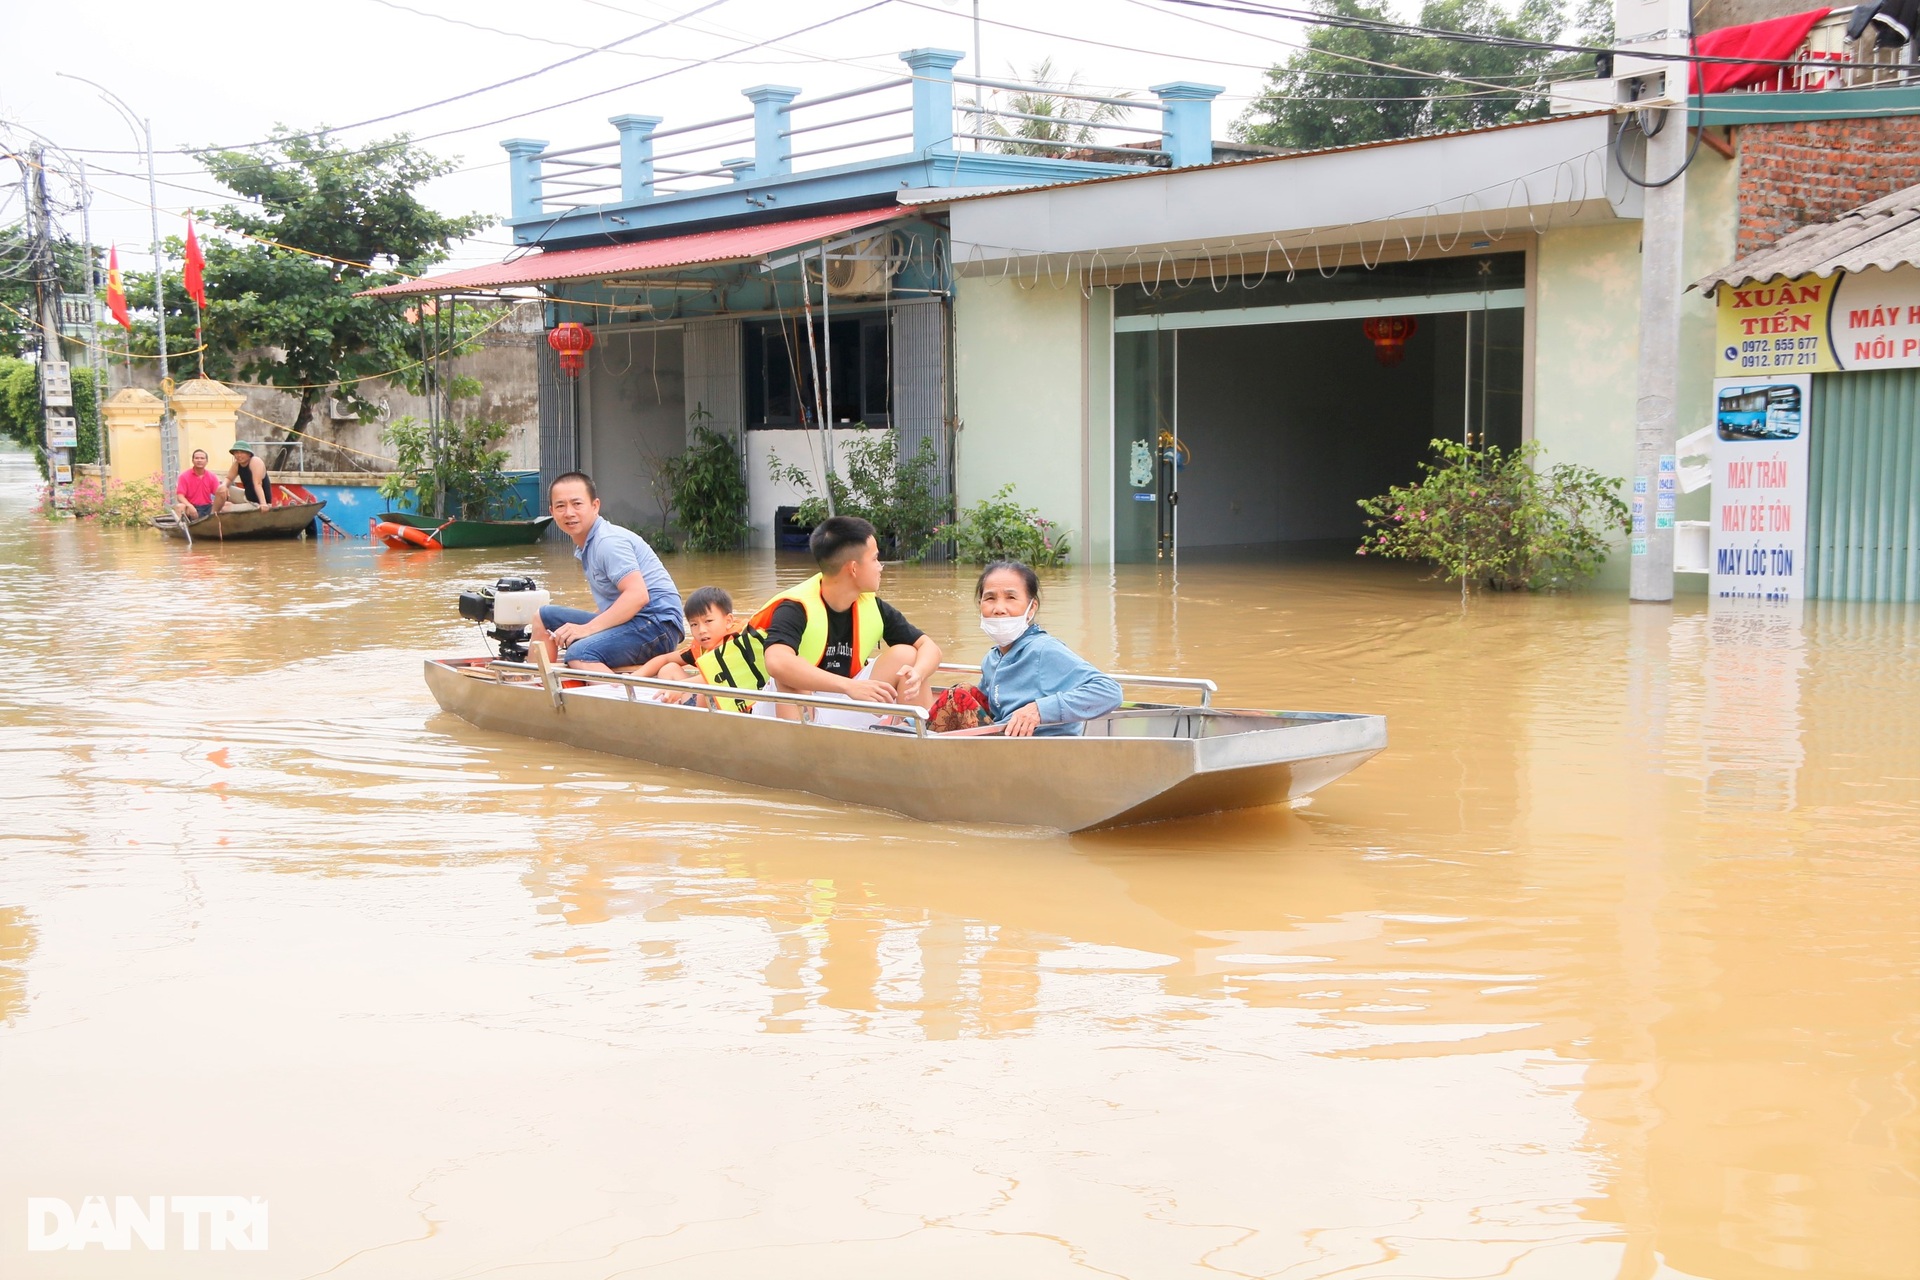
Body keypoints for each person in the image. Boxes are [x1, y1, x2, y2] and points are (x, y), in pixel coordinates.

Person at [750, 515, 941, 724]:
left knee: (907, 655)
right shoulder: (794, 607)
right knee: (791, 677)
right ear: (853, 568)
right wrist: (849, 686)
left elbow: (929, 647)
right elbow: (776, 662)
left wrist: (918, 673)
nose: (880, 567)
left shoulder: (872, 606)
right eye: (875, 559)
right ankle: (800, 753)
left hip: (841, 702)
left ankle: (910, 740)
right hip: (794, 707)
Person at [532, 471, 684, 674]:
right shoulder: (588, 545)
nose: (569, 512)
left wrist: (586, 630)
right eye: (561, 506)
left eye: (577, 504)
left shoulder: (607, 542)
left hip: (656, 627)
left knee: (579, 653)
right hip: (635, 623)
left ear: (595, 506)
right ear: (552, 511)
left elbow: (638, 595)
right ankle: (536, 686)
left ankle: (621, 700)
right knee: (544, 616)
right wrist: (586, 628)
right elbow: (613, 604)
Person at [973, 559, 1122, 737]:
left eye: (1011, 597)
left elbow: (1109, 692)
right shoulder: (992, 659)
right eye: (990, 598)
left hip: (1047, 755)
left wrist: (1039, 710)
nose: (999, 608)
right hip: (1005, 750)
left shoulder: (1042, 650)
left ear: (1031, 607)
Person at [629, 586, 766, 710]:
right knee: (669, 668)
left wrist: (681, 687)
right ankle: (678, 707)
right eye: (694, 624)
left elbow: (719, 675)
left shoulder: (740, 642)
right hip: (698, 703)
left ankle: (682, 709)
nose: (701, 630)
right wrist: (635, 677)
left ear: (728, 621)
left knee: (708, 686)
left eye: (708, 621)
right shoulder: (700, 646)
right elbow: (665, 659)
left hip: (738, 708)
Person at [214, 441, 275, 513]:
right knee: (220, 489)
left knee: (224, 509)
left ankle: (218, 515)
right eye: (236, 453)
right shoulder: (237, 464)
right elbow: (229, 478)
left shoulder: (255, 461)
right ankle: (212, 515)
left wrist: (263, 504)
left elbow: (258, 483)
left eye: (242, 452)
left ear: (249, 454)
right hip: (247, 496)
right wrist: (224, 486)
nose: (239, 455)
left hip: (257, 503)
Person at [172, 449, 221, 521]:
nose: (199, 460)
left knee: (227, 505)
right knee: (180, 507)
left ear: (206, 461)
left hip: (208, 507)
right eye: (197, 458)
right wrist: (190, 506)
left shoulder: (212, 476)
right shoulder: (184, 476)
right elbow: (180, 496)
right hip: (191, 507)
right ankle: (181, 530)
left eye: (202, 458)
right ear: (192, 461)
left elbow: (218, 493)